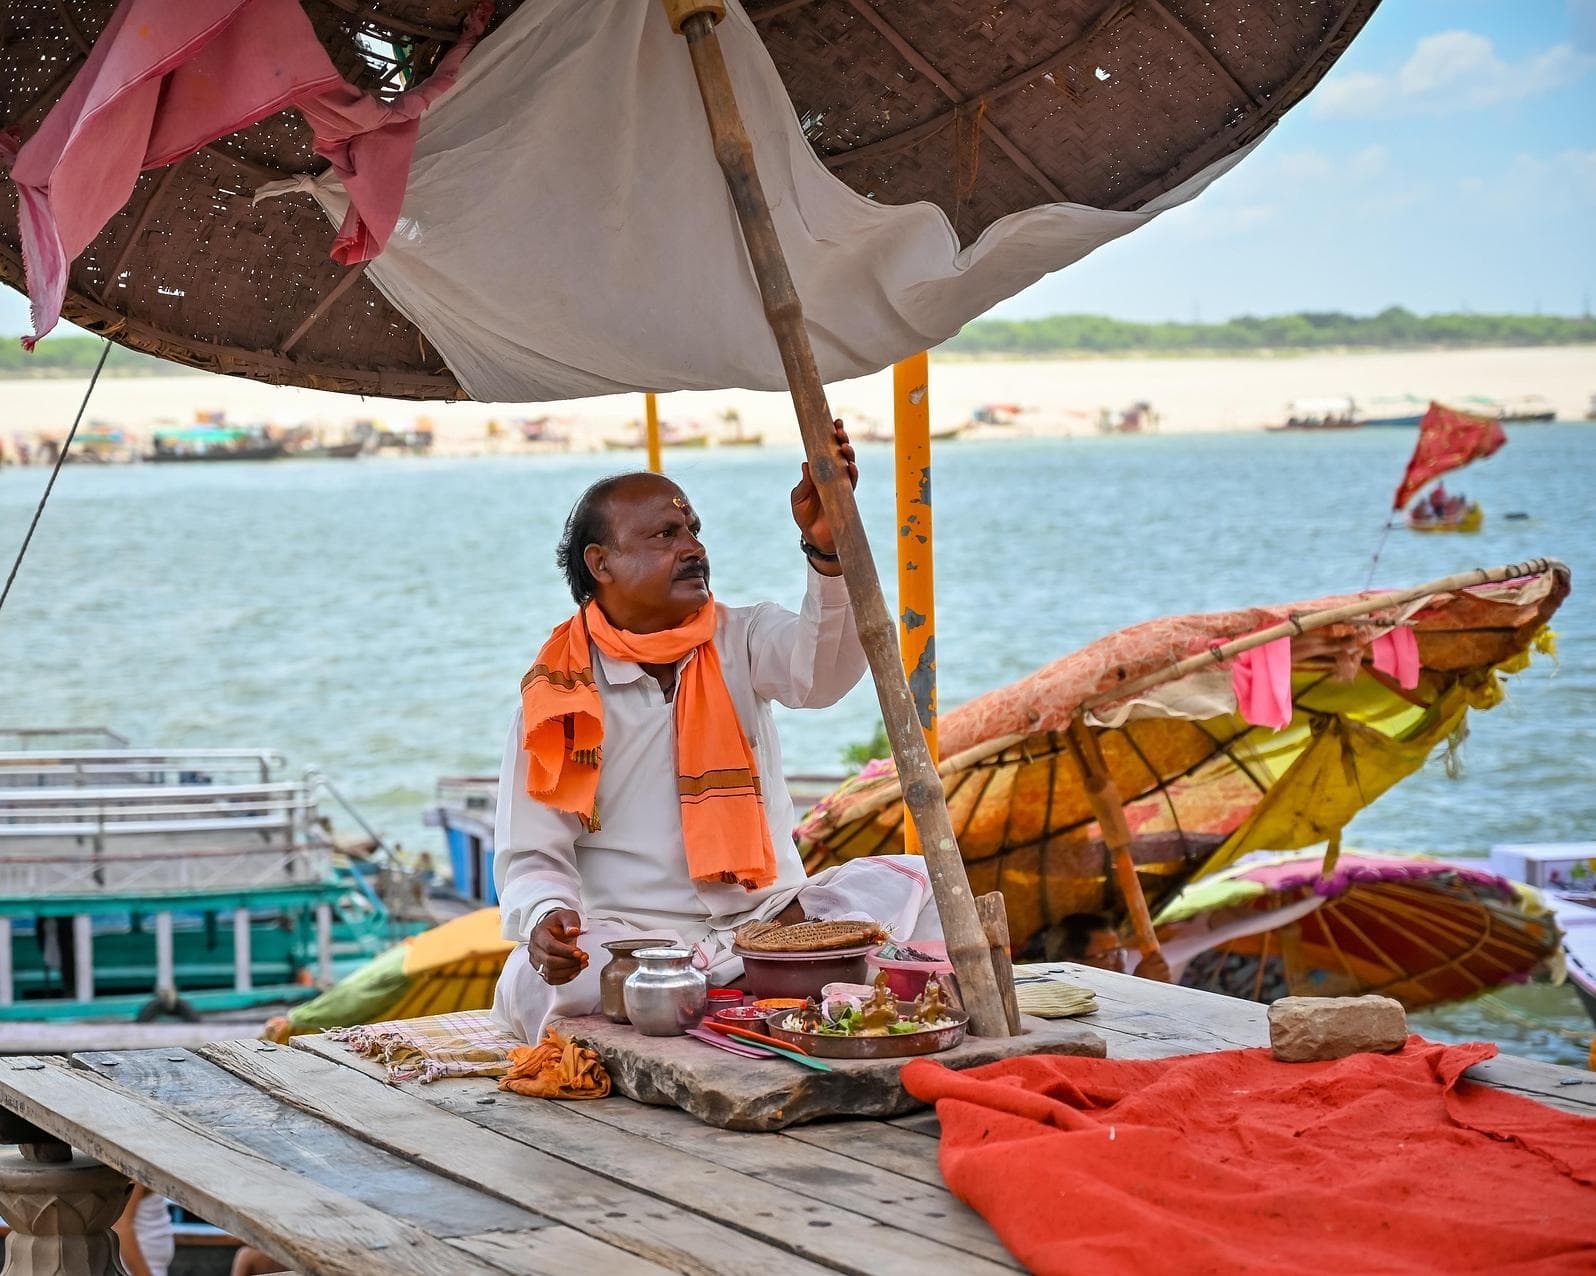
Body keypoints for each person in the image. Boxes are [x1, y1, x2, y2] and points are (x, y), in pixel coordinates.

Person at [490, 422, 943, 1041]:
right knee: (535, 979)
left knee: (929, 888)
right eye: (665, 534)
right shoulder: (558, 697)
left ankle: (732, 999)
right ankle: (755, 1002)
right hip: (638, 944)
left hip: (774, 925)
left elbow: (824, 676)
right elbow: (534, 852)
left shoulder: (743, 636)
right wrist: (547, 918)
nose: (692, 547)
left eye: (693, 530)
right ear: (602, 564)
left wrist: (829, 551)